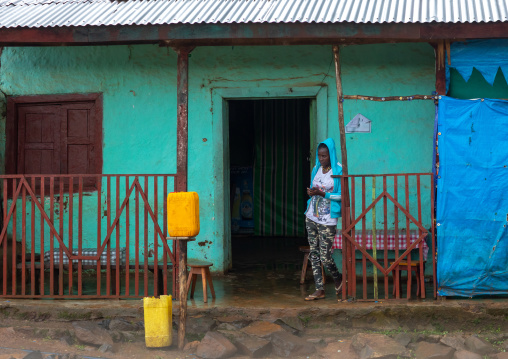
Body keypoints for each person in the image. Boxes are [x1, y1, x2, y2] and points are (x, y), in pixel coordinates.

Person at [304, 138, 343, 301]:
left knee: (325, 256)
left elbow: (342, 196)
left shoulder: (338, 170)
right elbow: (314, 186)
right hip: (311, 216)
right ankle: (319, 289)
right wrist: (311, 192)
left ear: (331, 155)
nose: (321, 159)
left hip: (327, 220)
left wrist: (323, 194)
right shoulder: (316, 169)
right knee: (313, 253)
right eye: (319, 156)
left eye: (325, 156)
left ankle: (337, 277)